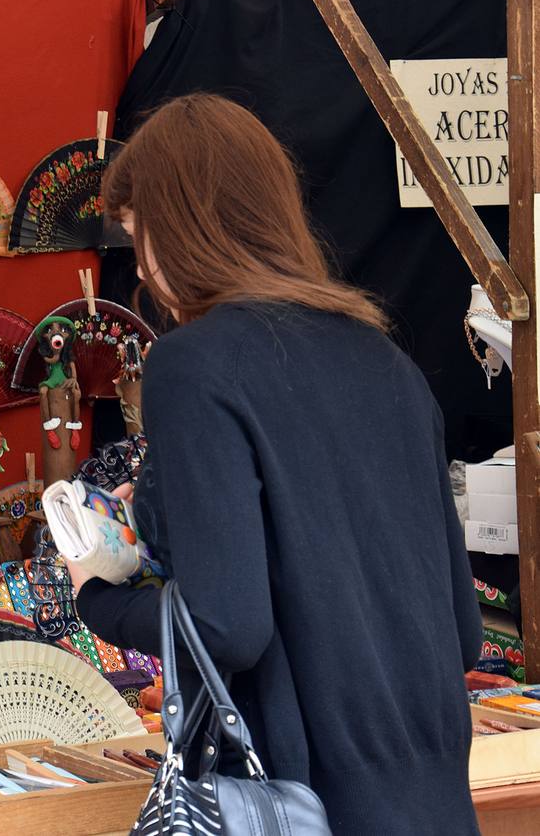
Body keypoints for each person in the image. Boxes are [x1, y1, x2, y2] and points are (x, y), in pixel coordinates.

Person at [67, 94, 482, 835]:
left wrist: (97, 593)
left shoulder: (196, 366)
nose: (144, 269)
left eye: (139, 236)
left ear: (182, 222)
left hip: (305, 802)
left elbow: (229, 626)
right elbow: (463, 631)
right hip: (437, 799)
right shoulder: (385, 361)